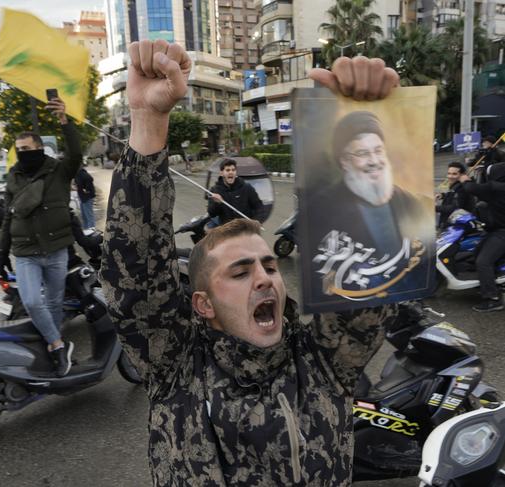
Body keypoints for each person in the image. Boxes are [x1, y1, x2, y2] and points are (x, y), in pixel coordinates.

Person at [100, 40, 400, 486]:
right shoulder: (176, 366)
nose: (264, 278)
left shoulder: (323, 361)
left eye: (269, 267)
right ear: (201, 304)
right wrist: (148, 117)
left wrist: (356, 120)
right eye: (240, 272)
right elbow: (135, 271)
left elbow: (367, 265)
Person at [304, 110, 435, 307]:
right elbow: (318, 275)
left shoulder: (409, 202)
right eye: (362, 153)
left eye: (378, 150)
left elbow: (425, 258)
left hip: (404, 305)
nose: (374, 160)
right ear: (344, 162)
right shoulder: (321, 208)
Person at [0, 98, 82, 377]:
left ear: (39, 148)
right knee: (32, 301)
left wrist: (64, 121)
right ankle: (57, 345)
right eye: (19, 150)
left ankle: (53, 351)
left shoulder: (58, 170)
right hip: (25, 252)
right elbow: (9, 216)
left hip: (56, 249)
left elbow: (76, 153)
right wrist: (1, 253)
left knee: (55, 302)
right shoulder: (13, 177)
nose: (23, 154)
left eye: (27, 149)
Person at [459, 162, 505, 312]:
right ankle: (488, 282)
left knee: (483, 261)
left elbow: (472, 188)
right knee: (477, 251)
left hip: (501, 232)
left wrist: (465, 179)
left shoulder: (495, 187)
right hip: (495, 230)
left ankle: (493, 298)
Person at [207, 158, 264, 225]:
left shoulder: (247, 187)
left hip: (245, 228)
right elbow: (212, 214)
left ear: (236, 172)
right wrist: (217, 203)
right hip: (227, 230)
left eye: (233, 170)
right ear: (221, 173)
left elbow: (259, 207)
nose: (231, 172)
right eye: (227, 170)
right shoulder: (215, 190)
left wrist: (257, 221)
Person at [436, 162, 475, 229]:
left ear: (462, 175)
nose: (450, 176)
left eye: (454, 174)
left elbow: (455, 208)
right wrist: (442, 195)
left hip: (455, 226)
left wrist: (436, 207)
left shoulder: (462, 188)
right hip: (452, 222)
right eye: (449, 173)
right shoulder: (457, 185)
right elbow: (453, 195)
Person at [74, 164, 96, 230]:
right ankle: (86, 231)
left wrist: (87, 190)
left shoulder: (81, 173)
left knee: (89, 215)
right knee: (84, 216)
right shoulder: (77, 174)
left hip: (87, 198)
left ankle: (92, 231)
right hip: (82, 198)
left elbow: (90, 178)